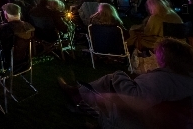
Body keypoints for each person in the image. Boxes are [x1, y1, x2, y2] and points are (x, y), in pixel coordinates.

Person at [58, 38, 193, 128]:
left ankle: (81, 98)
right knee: (111, 83)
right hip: (165, 121)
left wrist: (119, 76)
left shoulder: (162, 80)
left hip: (139, 122)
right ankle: (79, 94)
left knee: (110, 82)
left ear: (163, 57)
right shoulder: (184, 78)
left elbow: (137, 99)